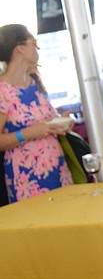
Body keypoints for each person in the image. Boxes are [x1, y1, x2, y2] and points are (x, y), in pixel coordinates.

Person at [0, 24, 73, 202]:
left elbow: (45, 120)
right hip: (26, 175)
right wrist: (27, 133)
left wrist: (59, 123)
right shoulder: (3, 91)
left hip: (57, 166)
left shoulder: (35, 80)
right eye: (34, 42)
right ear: (20, 49)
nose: (37, 47)